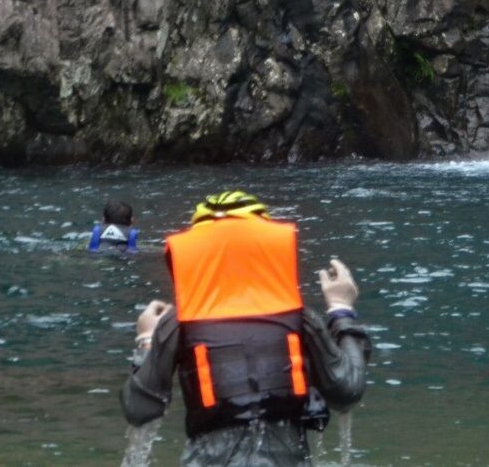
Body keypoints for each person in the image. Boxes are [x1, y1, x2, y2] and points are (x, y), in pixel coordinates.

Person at [119, 191, 370, 466]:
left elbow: (139, 409)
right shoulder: (299, 317)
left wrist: (146, 340)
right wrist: (340, 309)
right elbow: (346, 389)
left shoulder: (178, 323)